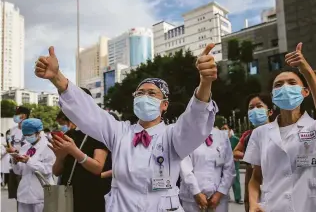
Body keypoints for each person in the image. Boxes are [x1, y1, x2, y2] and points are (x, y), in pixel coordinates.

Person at [35, 44, 218, 211]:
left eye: (151, 93)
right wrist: (57, 78)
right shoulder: (119, 132)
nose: (144, 96)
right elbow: (88, 112)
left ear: (164, 105)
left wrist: (205, 83)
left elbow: (194, 120)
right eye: (140, 93)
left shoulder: (173, 136)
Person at [244, 43, 316, 212]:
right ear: (273, 96)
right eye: (278, 85)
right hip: (274, 206)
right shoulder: (260, 133)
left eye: (292, 82)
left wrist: (306, 71)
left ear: (305, 92)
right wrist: (253, 203)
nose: (285, 87)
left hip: (314, 206)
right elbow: (256, 177)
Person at [51, 106, 110, 211]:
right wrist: (59, 158)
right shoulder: (69, 134)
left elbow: (97, 167)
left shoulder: (99, 133)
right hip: (67, 195)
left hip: (90, 197)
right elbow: (56, 172)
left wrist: (74, 151)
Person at [233, 93, 273, 212]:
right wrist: (252, 156)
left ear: (270, 111)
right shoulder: (248, 135)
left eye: (259, 106)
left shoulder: (279, 132)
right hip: (253, 176)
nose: (255, 110)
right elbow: (235, 152)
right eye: (251, 108)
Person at [179, 127, 235, 212]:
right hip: (192, 199)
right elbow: (185, 169)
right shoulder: (185, 136)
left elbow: (229, 167)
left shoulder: (222, 136)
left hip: (218, 200)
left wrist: (219, 193)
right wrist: (196, 193)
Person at [12, 118, 55, 212]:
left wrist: (29, 161)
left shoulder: (48, 147)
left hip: (41, 194)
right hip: (24, 193)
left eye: (30, 135)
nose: (27, 137)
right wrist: (15, 162)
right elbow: (19, 171)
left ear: (38, 132)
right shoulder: (25, 147)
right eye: (25, 135)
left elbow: (48, 170)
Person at [6, 106, 31, 200]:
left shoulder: (31, 130)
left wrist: (17, 152)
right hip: (13, 166)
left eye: (17, 114)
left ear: (23, 116)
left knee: (25, 197)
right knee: (17, 198)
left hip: (25, 167)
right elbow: (9, 144)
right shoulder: (13, 130)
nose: (14, 116)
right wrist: (9, 149)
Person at [227, 126, 244, 205]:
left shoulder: (235, 139)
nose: (224, 131)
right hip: (224, 164)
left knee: (236, 181)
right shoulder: (221, 139)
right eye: (222, 129)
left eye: (225, 129)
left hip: (234, 163)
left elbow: (241, 149)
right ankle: (227, 197)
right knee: (225, 182)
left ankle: (238, 198)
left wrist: (238, 156)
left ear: (230, 130)